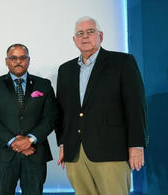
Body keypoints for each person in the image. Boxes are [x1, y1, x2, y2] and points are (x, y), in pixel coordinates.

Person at [56, 16, 148, 195]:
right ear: (74, 40)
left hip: (111, 150)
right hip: (76, 153)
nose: (85, 37)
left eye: (90, 32)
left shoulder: (122, 62)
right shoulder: (65, 70)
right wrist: (62, 144)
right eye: (80, 33)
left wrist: (137, 145)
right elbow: (62, 111)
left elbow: (136, 106)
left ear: (101, 35)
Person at [0, 44, 58, 195]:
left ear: (28, 60)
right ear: (6, 61)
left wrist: (29, 140)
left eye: (22, 57)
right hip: (4, 154)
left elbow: (51, 117)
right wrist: (13, 141)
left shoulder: (43, 84)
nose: (18, 61)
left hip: (35, 153)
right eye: (13, 58)